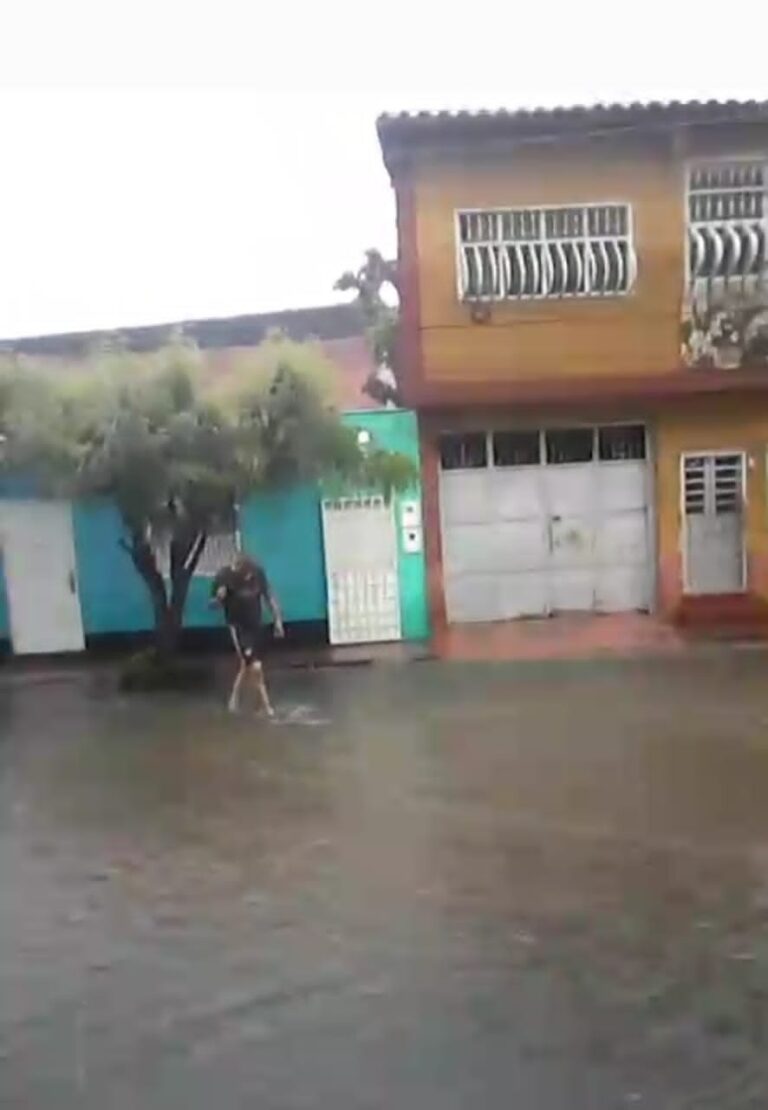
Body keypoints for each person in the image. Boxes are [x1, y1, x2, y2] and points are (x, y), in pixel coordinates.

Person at [210, 552, 284, 716]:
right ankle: (267, 707)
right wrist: (219, 598)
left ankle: (235, 700)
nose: (249, 577)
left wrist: (277, 619)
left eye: (251, 574)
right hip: (238, 628)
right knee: (254, 666)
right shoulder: (224, 577)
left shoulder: (258, 573)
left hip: (256, 626)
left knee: (247, 664)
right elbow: (212, 605)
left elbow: (269, 596)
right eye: (246, 574)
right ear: (238, 570)